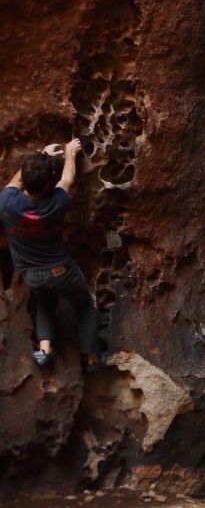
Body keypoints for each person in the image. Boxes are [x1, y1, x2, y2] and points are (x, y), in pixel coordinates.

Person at [0, 138, 103, 371]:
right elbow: (68, 179)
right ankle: (92, 358)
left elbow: (16, 181)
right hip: (60, 270)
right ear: (49, 185)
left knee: (45, 304)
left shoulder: (7, 203)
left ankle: (45, 350)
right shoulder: (56, 202)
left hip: (31, 274)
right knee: (85, 307)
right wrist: (70, 153)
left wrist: (39, 155)